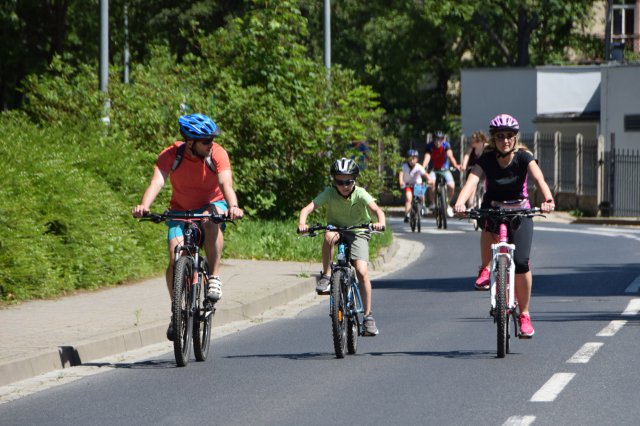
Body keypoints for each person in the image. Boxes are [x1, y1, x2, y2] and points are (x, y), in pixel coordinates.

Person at [132, 113, 244, 341]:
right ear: (190, 142)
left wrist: (233, 206)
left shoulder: (218, 154)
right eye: (205, 141)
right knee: (175, 259)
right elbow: (158, 181)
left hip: (213, 205)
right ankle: (177, 310)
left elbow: (226, 183)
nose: (210, 145)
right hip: (180, 211)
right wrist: (144, 205)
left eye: (211, 140)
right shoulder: (171, 155)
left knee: (210, 219)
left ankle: (214, 276)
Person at [454, 114, 555, 338]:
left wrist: (547, 199)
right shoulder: (487, 159)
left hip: (520, 212)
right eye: (500, 136)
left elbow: (539, 179)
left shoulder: (523, 157)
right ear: (493, 139)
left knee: (521, 263)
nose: (505, 140)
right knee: (486, 222)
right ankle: (485, 267)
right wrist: (460, 202)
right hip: (496, 209)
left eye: (510, 136)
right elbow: (472, 181)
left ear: (515, 138)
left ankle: (525, 314)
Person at [298, 158, 386, 336]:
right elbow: (307, 209)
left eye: (348, 181)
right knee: (328, 236)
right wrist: (302, 223)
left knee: (361, 271)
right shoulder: (329, 193)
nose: (344, 185)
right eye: (340, 181)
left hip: (359, 231)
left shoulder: (360, 193)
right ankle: (326, 276)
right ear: (334, 181)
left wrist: (380, 222)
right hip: (337, 229)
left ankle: (368, 317)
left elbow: (377, 210)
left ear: (355, 180)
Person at [422, 131, 461, 217]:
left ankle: (447, 203)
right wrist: (423, 167)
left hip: (444, 169)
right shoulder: (430, 146)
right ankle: (432, 204)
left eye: (440, 139)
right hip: (433, 169)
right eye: (436, 139)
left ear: (443, 139)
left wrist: (456, 165)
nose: (438, 141)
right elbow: (427, 158)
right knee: (431, 183)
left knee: (451, 185)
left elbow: (450, 156)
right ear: (433, 139)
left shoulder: (446, 145)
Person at [398, 149, 433, 222]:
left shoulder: (418, 166)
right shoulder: (404, 166)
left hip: (417, 184)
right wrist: (401, 182)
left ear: (417, 159)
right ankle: (407, 214)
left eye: (414, 158)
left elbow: (425, 174)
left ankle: (423, 206)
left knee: (421, 194)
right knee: (408, 198)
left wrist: (429, 180)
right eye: (410, 158)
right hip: (408, 185)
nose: (412, 160)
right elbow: (401, 175)